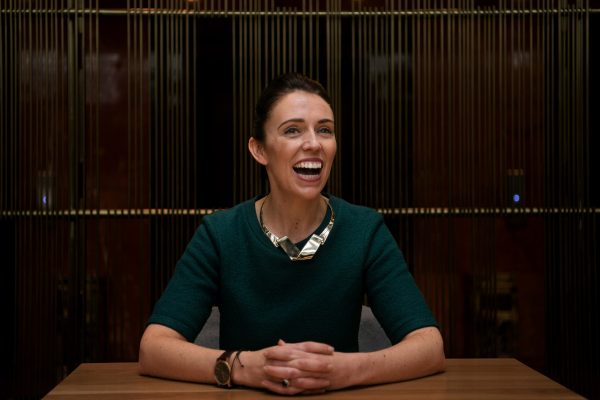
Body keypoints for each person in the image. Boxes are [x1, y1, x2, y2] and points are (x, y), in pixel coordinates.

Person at [138, 72, 445, 395]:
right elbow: (153, 348)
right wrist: (243, 367)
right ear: (259, 150)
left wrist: (343, 369)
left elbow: (429, 347)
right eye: (293, 130)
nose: (313, 143)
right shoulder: (220, 233)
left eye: (325, 130)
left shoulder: (365, 230)